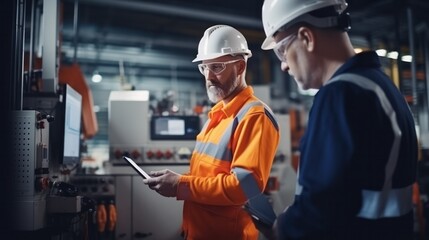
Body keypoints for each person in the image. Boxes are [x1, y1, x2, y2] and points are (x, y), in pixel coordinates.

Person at [258, 0, 418, 239]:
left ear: (306, 37)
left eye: (282, 50)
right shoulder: (380, 86)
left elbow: (321, 211)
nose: (283, 66)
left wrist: (284, 228)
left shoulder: (340, 95)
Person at [143, 24, 280, 240]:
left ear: (241, 67)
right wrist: (177, 180)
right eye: (204, 68)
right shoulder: (216, 117)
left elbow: (243, 188)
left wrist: (181, 186)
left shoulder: (254, 116)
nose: (208, 77)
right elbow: (207, 179)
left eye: (217, 67)